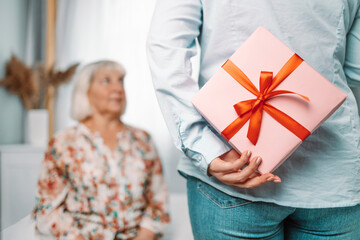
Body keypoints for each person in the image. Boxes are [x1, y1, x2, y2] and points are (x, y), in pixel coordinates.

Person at [147, 1, 360, 239]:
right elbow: (354, 70)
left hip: (234, 161)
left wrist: (203, 146)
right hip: (332, 173)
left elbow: (167, 47)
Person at [32, 60, 170, 240]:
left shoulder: (142, 139)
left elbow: (158, 202)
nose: (118, 88)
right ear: (86, 91)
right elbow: (47, 209)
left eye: (120, 81)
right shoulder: (64, 142)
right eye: (106, 80)